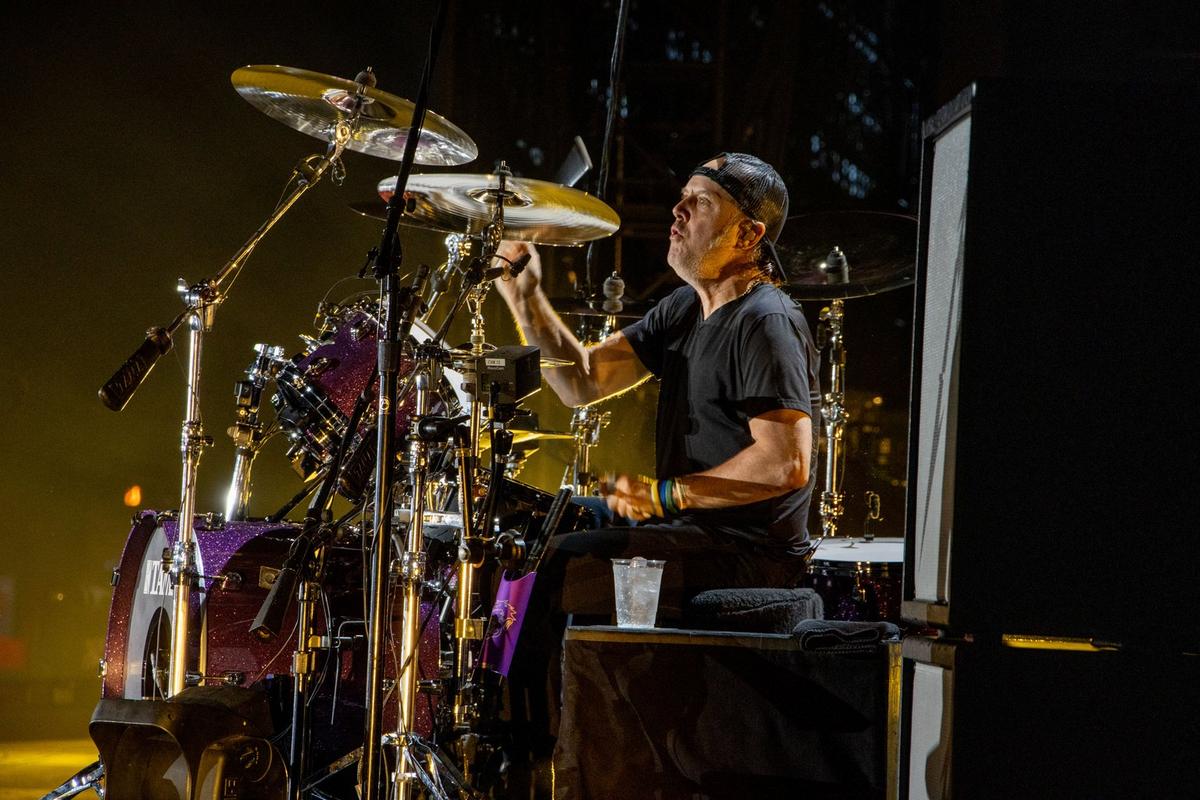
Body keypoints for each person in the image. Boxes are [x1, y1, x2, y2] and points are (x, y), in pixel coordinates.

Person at [491, 152, 821, 761]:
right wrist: (524, 293)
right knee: (527, 533)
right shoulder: (684, 309)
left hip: (745, 552)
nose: (678, 210)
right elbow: (582, 380)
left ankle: (537, 756)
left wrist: (666, 494)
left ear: (748, 234)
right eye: (683, 195)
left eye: (702, 201)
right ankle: (516, 733)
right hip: (689, 531)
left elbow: (784, 463)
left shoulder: (766, 320)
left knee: (558, 563)